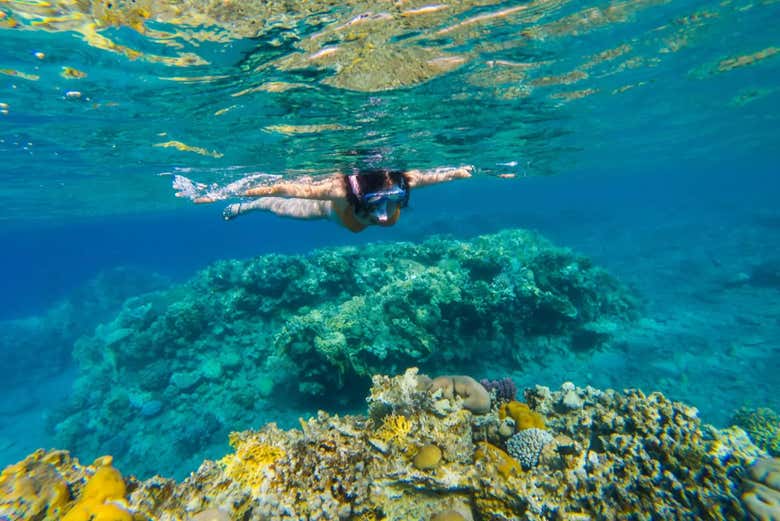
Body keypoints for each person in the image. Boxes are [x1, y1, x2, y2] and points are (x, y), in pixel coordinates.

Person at [189, 166, 472, 232]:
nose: (384, 212)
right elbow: (280, 189)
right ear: (360, 195)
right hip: (331, 212)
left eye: (394, 198)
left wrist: (461, 173)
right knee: (279, 209)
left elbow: (440, 176)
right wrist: (220, 194)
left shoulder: (404, 181)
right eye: (375, 202)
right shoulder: (337, 192)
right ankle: (245, 209)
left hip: (351, 218)